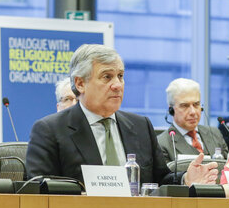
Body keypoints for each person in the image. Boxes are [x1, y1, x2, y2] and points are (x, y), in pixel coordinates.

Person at [26, 44, 218, 185]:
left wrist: (185, 179)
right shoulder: (50, 130)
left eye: (120, 76)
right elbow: (39, 189)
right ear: (80, 83)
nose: (117, 85)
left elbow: (160, 181)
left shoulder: (140, 126)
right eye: (107, 77)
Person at [157, 78, 228, 162]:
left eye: (196, 104)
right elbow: (167, 175)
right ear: (171, 110)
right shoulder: (162, 144)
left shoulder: (215, 134)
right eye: (185, 105)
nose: (193, 112)